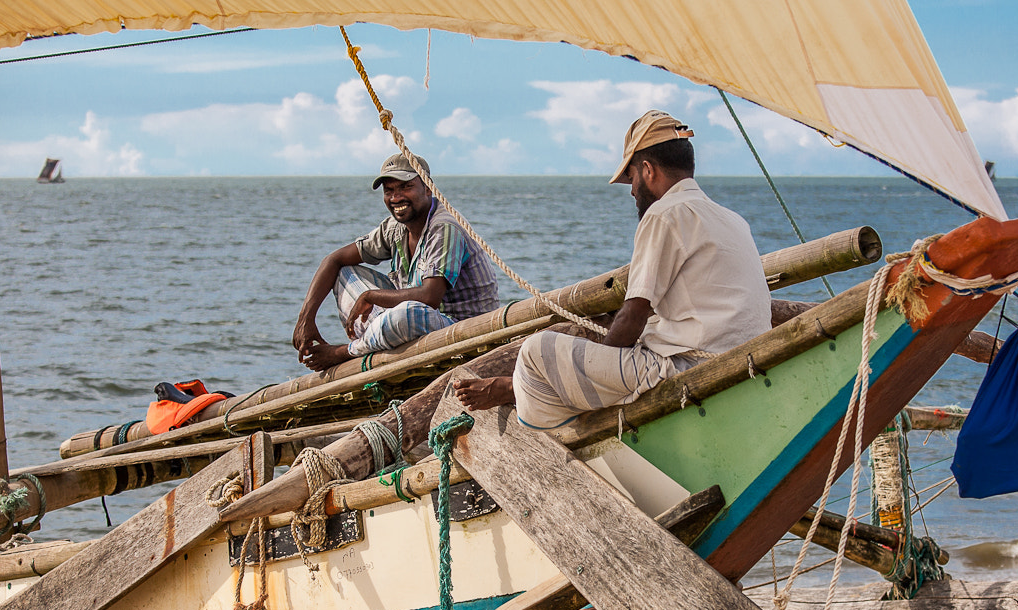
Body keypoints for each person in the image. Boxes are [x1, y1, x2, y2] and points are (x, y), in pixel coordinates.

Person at [453, 111, 771, 427]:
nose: (632, 191)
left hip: (690, 368)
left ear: (647, 170)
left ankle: (520, 394)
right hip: (746, 361)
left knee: (536, 351)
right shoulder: (732, 219)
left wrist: (605, 361)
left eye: (631, 178)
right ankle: (528, 390)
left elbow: (634, 313)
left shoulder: (664, 214)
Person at [292, 153, 499, 371]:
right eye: (389, 191)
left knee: (405, 314)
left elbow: (429, 298)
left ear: (428, 188)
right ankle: (377, 340)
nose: (396, 197)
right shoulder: (395, 228)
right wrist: (306, 319)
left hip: (462, 329)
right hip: (412, 324)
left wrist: (370, 296)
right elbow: (334, 260)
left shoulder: (444, 226)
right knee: (345, 273)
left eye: (405, 187)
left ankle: (346, 351)